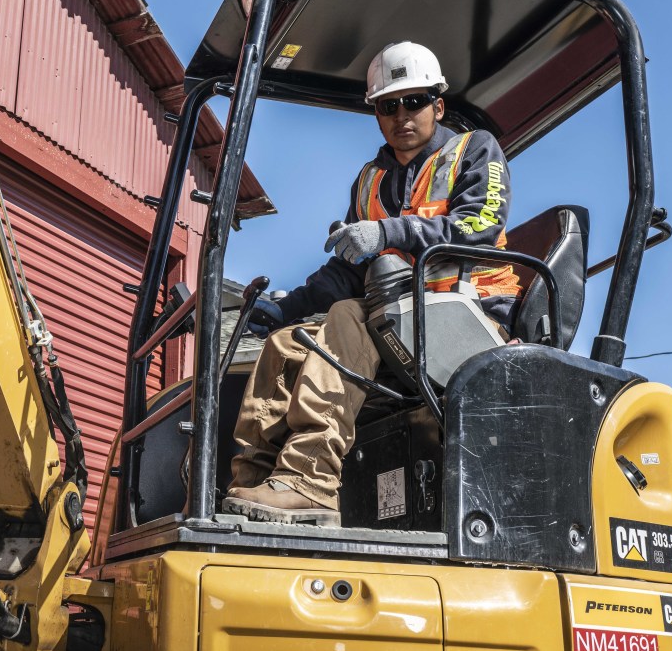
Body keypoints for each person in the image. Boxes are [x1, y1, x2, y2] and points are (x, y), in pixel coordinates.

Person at [222, 41, 522, 526]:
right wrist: (286, 308)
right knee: (286, 345)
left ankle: (310, 481)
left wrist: (387, 232)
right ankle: (253, 481)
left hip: (472, 313)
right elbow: (349, 270)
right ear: (377, 115)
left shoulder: (474, 150)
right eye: (388, 106)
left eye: (414, 101)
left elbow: (479, 225)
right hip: (398, 317)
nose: (402, 114)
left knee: (348, 315)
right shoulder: (369, 180)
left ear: (437, 105)